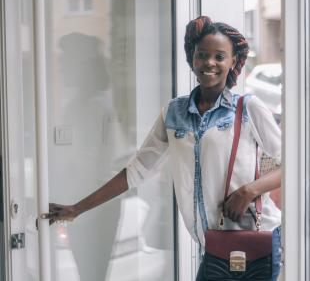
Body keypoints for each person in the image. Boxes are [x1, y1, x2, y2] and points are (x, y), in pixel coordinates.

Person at [43, 16, 282, 280]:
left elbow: (295, 164)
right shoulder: (174, 113)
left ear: (233, 62)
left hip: (254, 241)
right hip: (213, 246)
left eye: (219, 56)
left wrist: (250, 190)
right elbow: (135, 171)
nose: (209, 63)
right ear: (192, 58)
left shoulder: (248, 108)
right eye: (202, 55)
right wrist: (77, 209)